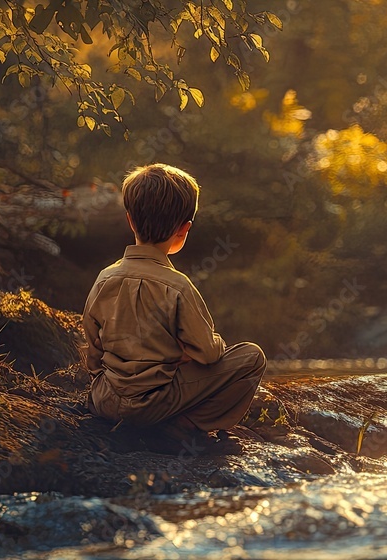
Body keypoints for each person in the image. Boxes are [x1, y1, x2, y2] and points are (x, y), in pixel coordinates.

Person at [81, 163, 266, 453]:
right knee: (252, 357)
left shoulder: (105, 278)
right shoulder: (177, 286)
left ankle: (134, 422)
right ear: (184, 229)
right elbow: (208, 353)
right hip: (154, 405)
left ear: (130, 220)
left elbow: (94, 348)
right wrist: (189, 352)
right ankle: (183, 427)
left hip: (104, 401)